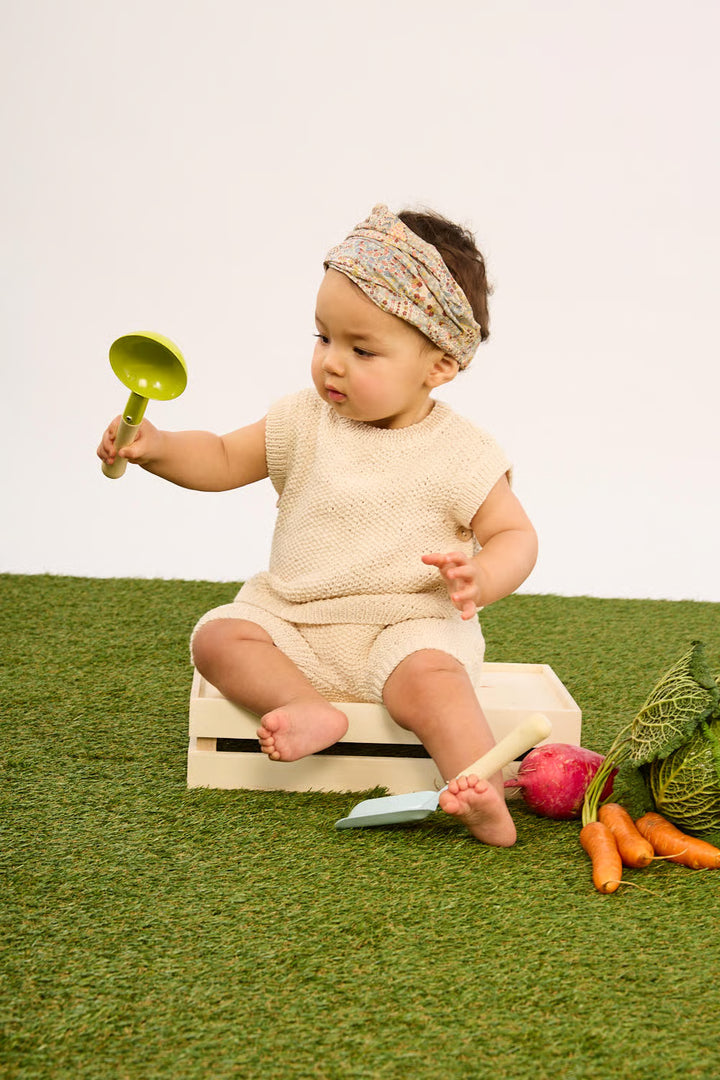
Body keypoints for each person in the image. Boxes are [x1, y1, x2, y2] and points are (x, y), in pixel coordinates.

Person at [98, 204, 538, 846]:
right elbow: (222, 456)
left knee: (438, 686)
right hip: (296, 620)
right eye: (323, 337)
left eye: (362, 349)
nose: (332, 362)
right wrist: (157, 446)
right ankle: (303, 704)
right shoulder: (303, 420)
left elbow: (516, 536)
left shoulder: (462, 451)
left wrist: (484, 575)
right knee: (218, 637)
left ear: (440, 364)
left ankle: (480, 793)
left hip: (404, 629)